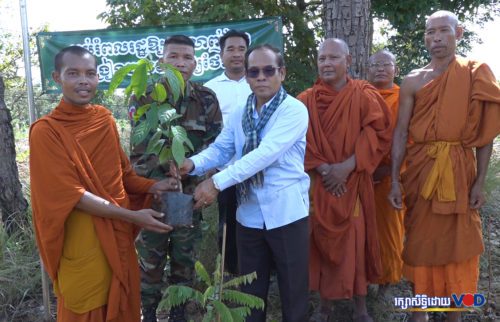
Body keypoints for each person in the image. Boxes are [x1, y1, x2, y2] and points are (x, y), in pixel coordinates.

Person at [29, 46, 176, 322]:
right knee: (86, 307)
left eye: (90, 73)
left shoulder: (104, 120)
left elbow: (123, 176)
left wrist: (152, 186)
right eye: (73, 73)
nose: (83, 80)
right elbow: (75, 196)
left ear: (98, 78)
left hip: (117, 234)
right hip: (82, 239)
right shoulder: (46, 132)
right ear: (56, 78)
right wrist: (132, 216)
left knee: (122, 304)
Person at [180, 44, 310, 322]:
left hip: (286, 213)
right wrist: (192, 164)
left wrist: (216, 182)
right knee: (250, 292)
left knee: (293, 291)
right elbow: (221, 149)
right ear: (247, 76)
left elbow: (264, 155)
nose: (261, 77)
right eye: (254, 72)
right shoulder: (242, 110)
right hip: (249, 214)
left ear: (282, 73)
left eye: (268, 70)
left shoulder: (294, 110)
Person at [388, 10, 500, 322]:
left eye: (443, 31)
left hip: (460, 172)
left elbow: (485, 134)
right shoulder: (412, 80)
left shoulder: (475, 72)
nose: (435, 38)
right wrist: (396, 180)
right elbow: (400, 132)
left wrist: (479, 183)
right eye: (430, 32)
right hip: (422, 172)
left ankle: (454, 314)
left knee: (459, 243)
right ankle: (420, 312)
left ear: (458, 33)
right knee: (420, 242)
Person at [298, 38, 392, 322]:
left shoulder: (364, 95)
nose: (326, 63)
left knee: (356, 241)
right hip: (320, 184)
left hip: (354, 182)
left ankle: (360, 306)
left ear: (348, 61)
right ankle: (324, 307)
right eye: (322, 58)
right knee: (322, 242)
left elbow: (378, 134)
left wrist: (347, 167)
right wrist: (327, 169)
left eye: (333, 58)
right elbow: (298, 142)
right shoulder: (305, 100)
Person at [129, 35, 222, 322]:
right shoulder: (144, 95)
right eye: (174, 57)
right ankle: (149, 313)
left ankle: (180, 313)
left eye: (187, 58)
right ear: (162, 61)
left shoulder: (206, 98)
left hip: (189, 197)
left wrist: (204, 178)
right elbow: (139, 145)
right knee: (150, 262)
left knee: (184, 261)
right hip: (153, 195)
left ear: (195, 63)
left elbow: (217, 146)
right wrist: (165, 167)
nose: (180, 63)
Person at [204, 29, 252, 275]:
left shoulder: (260, 83)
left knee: (259, 220)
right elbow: (206, 130)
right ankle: (230, 275)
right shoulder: (209, 89)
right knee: (228, 222)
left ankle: (262, 271)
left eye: (241, 49)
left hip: (258, 166)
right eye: (230, 49)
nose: (236, 54)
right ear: (221, 55)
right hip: (225, 169)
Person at [366, 50, 405, 297]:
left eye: (386, 64)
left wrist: (390, 170)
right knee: (365, 230)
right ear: (368, 69)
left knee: (390, 231)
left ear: (395, 70)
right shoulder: (361, 96)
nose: (381, 68)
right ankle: (365, 277)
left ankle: (387, 281)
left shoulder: (405, 98)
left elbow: (408, 137)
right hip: (361, 174)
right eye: (375, 64)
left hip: (392, 176)